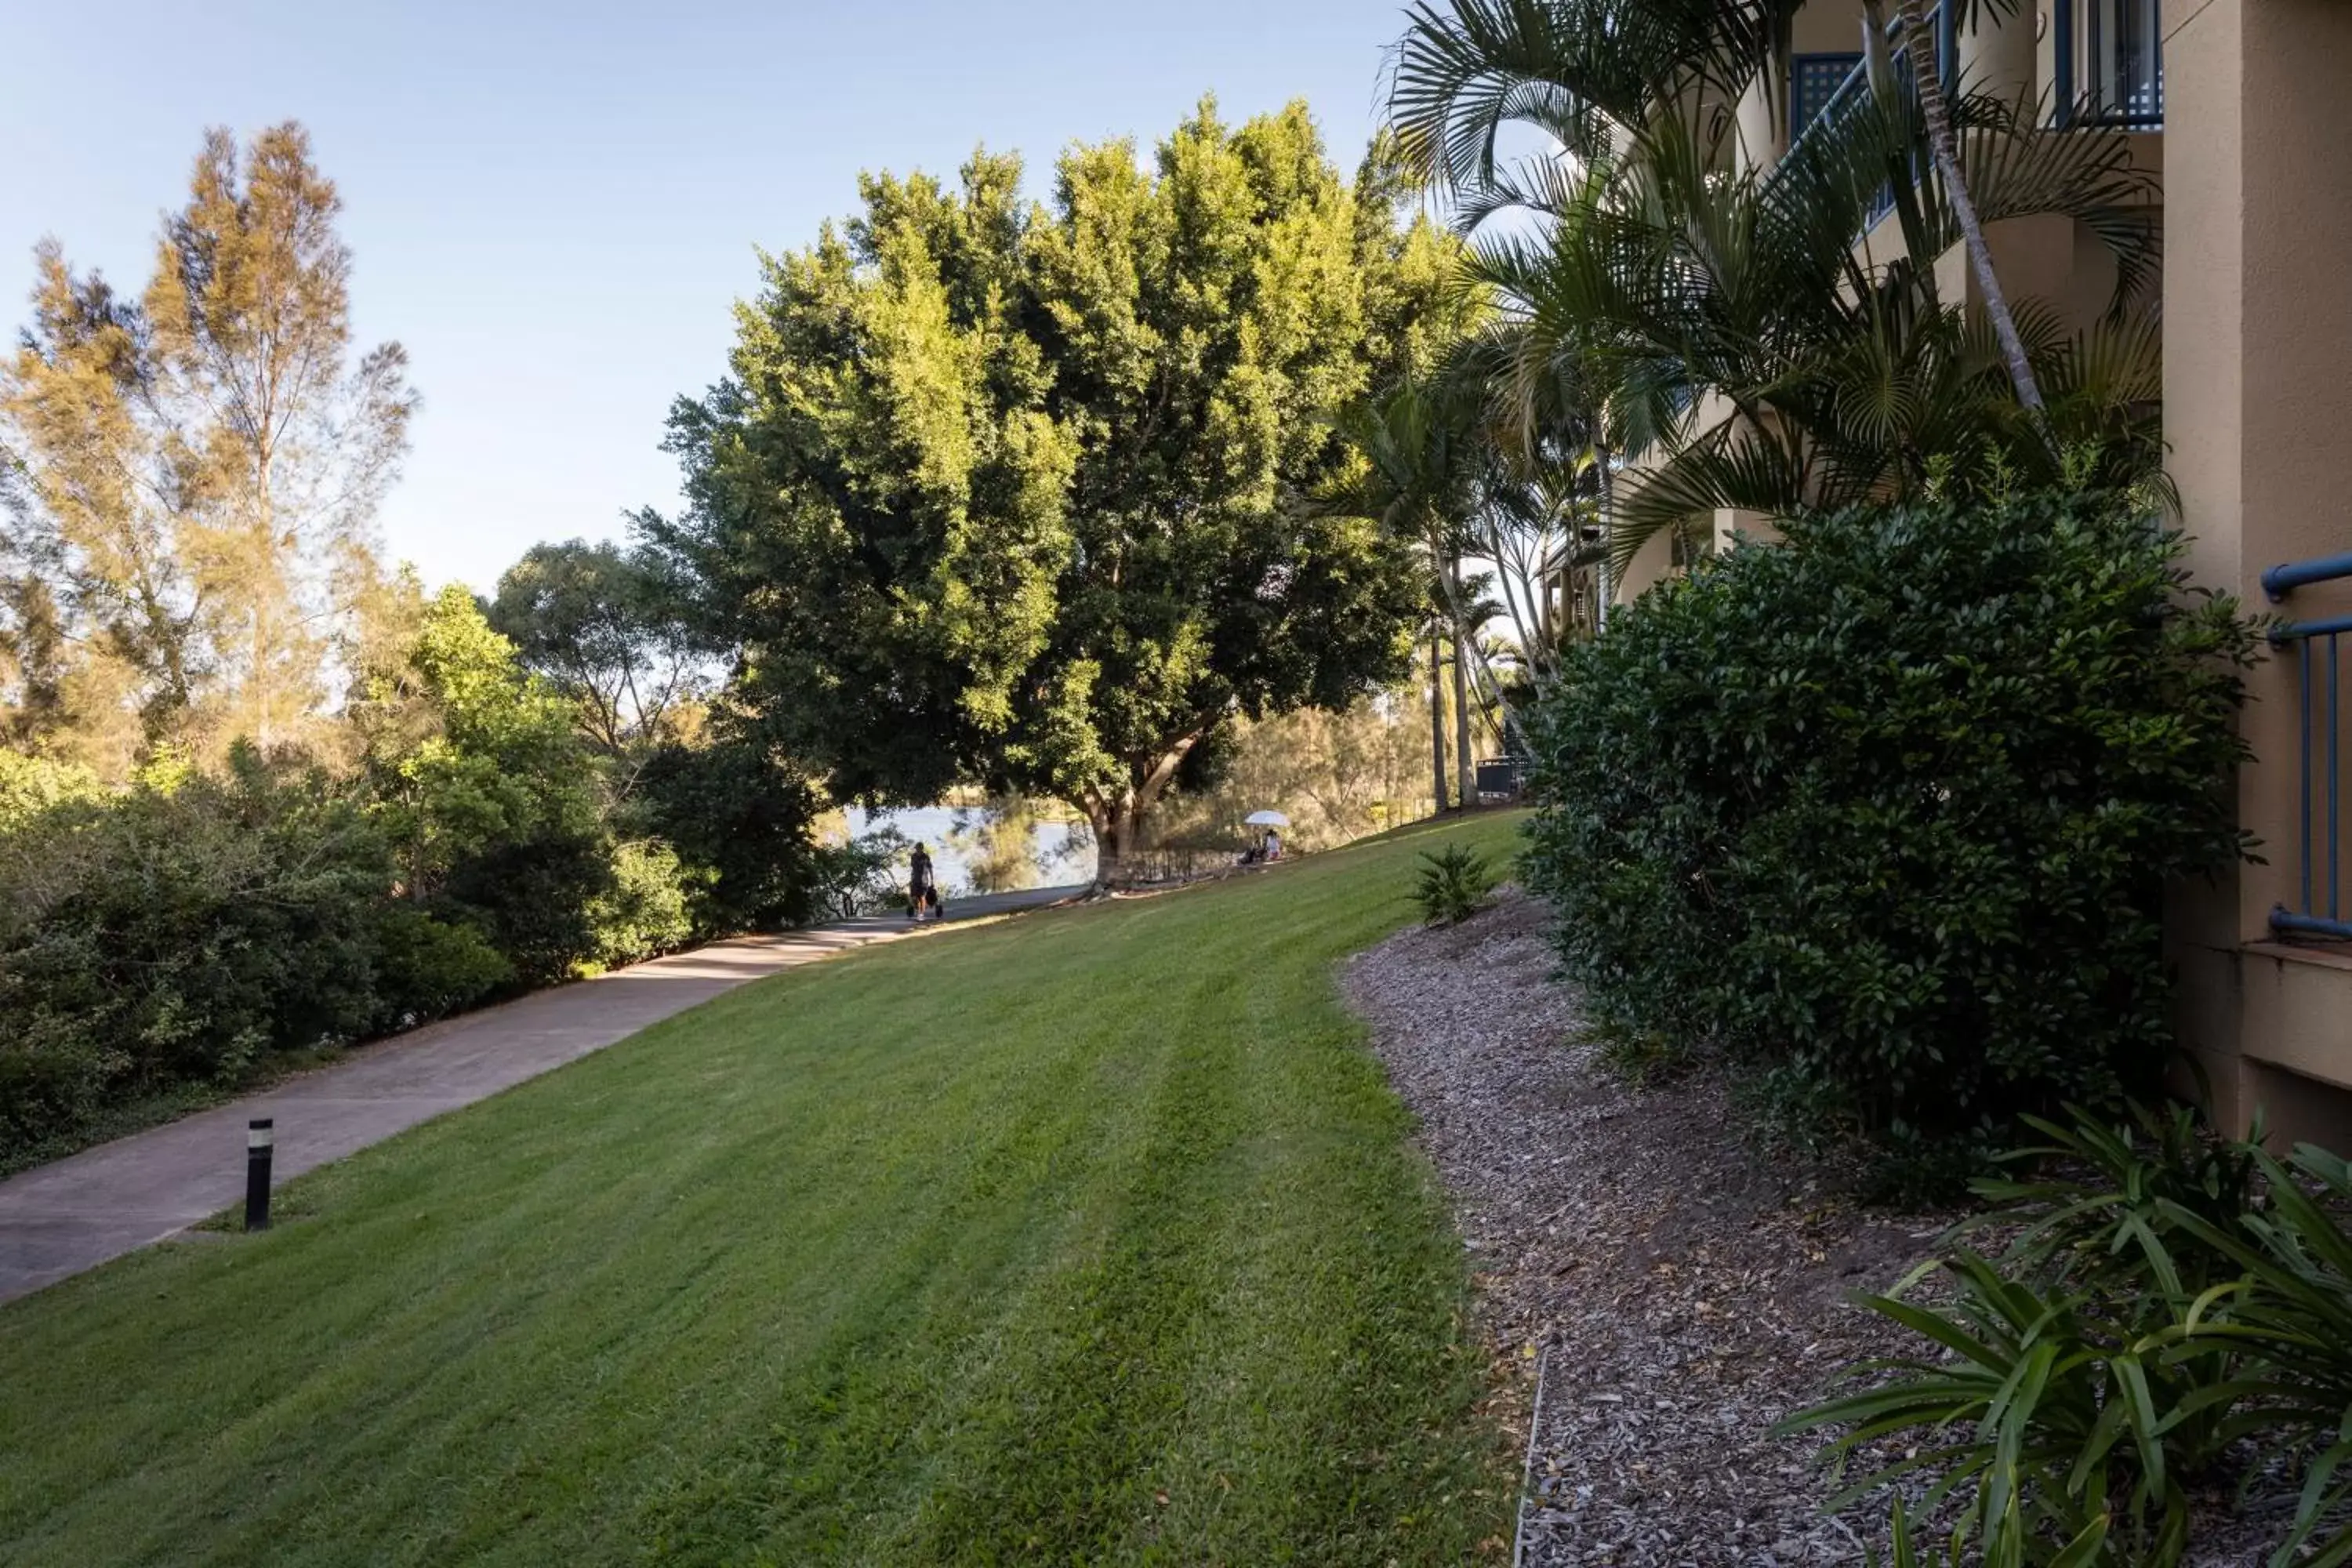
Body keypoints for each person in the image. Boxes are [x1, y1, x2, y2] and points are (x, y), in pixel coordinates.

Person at [908, 842, 938, 920]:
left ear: (921, 848)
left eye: (918, 848)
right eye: (916, 848)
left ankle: (921, 914)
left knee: (922, 897)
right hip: (915, 880)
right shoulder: (913, 856)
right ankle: (918, 909)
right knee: (914, 897)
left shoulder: (926, 857)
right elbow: (913, 869)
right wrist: (911, 878)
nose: (917, 850)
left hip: (924, 880)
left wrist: (932, 879)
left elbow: (930, 868)